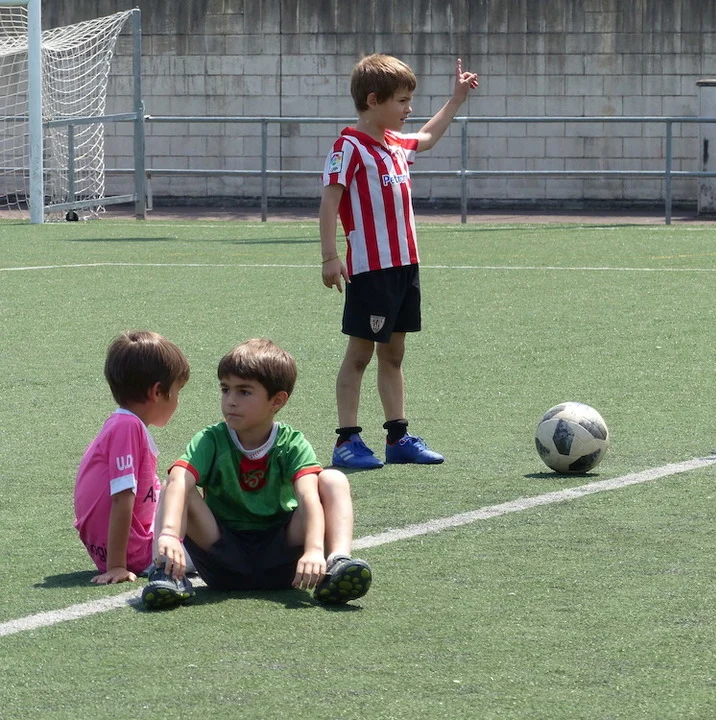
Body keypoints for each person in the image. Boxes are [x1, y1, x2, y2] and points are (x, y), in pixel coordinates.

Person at [319, 54, 479, 469]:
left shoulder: (395, 144)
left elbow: (426, 137)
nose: (409, 108)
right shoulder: (349, 147)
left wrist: (456, 99)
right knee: (360, 354)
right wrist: (330, 255)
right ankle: (347, 441)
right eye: (402, 101)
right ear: (374, 100)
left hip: (406, 267)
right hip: (371, 271)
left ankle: (398, 437)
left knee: (393, 354)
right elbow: (330, 201)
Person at [141, 338, 371, 609]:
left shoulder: (291, 443)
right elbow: (180, 481)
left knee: (333, 479)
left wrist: (313, 550)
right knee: (176, 481)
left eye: (244, 392)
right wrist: (169, 534)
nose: (230, 401)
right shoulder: (211, 439)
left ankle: (337, 563)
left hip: (285, 561)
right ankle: (167, 573)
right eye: (225, 389)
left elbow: (308, 497)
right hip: (223, 559)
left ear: (277, 400)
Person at [74, 330, 190, 584]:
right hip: (139, 553)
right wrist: (117, 565)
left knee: (176, 491)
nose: (178, 400)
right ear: (157, 392)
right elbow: (122, 496)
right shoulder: (128, 427)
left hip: (124, 549)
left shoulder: (120, 424)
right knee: (181, 487)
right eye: (177, 391)